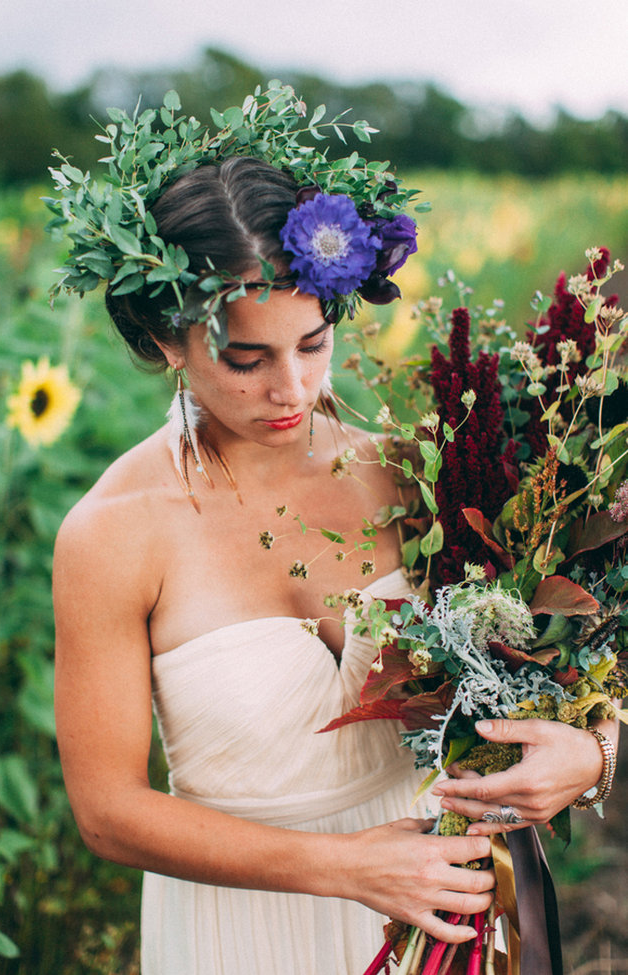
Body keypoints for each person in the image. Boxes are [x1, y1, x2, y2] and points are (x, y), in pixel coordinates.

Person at [51, 86, 617, 975]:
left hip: (443, 913)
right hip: (241, 928)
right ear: (167, 337)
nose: (293, 389)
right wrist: (348, 869)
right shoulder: (114, 532)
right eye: (247, 357)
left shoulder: (415, 473)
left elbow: (551, 662)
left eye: (312, 344)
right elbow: (107, 810)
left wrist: (591, 750)